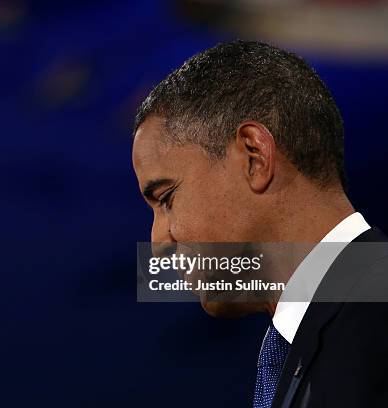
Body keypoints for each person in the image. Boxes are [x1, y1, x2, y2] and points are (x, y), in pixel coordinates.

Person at [132, 40, 388, 408]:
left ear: (254, 157)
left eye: (167, 197)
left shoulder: (373, 323)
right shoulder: (319, 338)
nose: (158, 241)